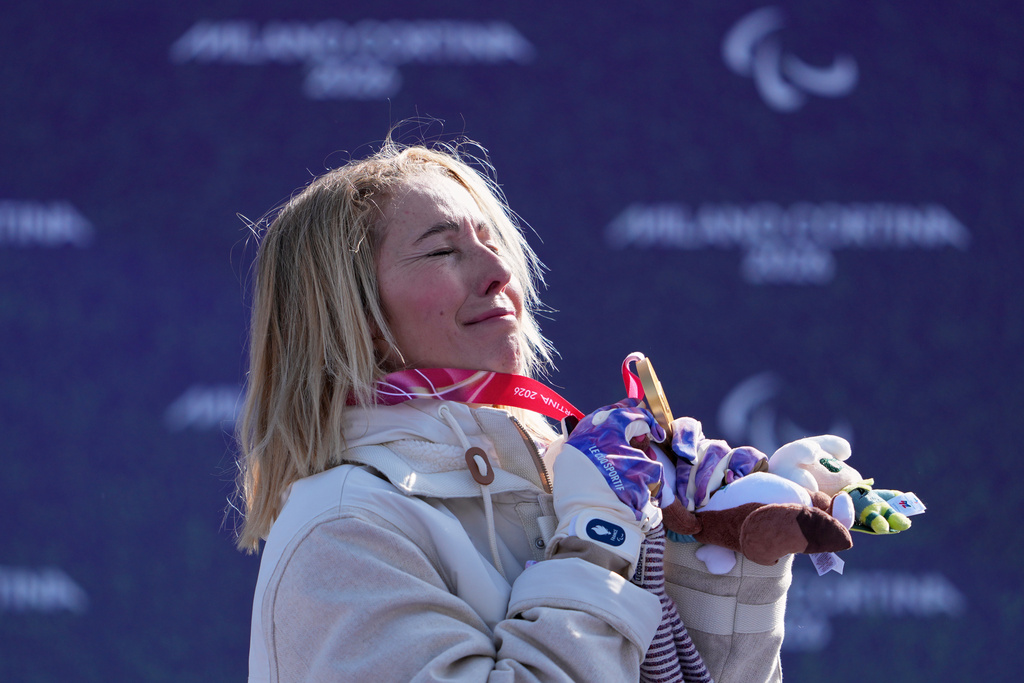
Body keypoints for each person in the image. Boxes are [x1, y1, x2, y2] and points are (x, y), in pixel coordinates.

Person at [237, 136, 794, 682]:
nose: (498, 272)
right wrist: (595, 539)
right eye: (441, 250)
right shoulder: (344, 528)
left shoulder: (560, 483)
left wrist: (720, 558)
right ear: (353, 319)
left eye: (491, 241)